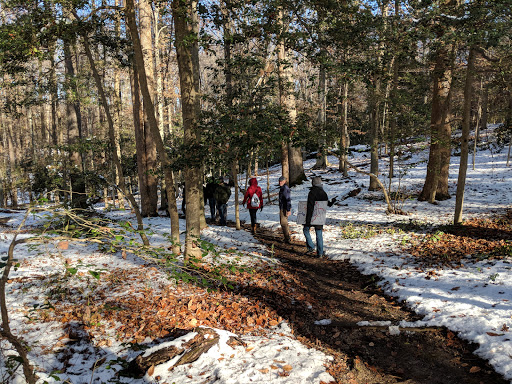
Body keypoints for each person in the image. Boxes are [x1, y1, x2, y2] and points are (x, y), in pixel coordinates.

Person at [303, 176, 328, 258]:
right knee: (319, 233)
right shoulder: (323, 192)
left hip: (312, 215)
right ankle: (320, 253)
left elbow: (310, 207)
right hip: (320, 215)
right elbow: (327, 204)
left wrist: (307, 220)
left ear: (313, 183)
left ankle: (311, 247)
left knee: (306, 230)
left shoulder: (312, 192)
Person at [278, 176, 291, 243]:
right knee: (284, 223)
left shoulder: (285, 189)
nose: (280, 182)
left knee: (283, 223)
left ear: (285, 181)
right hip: (283, 207)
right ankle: (287, 237)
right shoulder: (282, 188)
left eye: (281, 181)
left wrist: (288, 209)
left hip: (284, 208)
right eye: (279, 181)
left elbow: (288, 199)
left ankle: (287, 238)